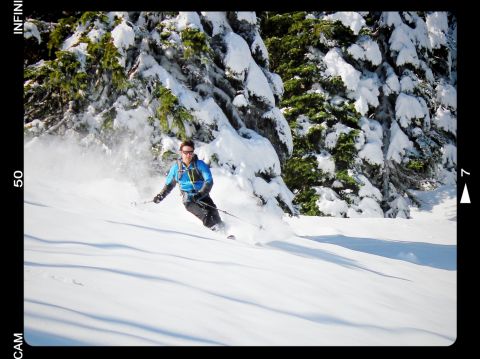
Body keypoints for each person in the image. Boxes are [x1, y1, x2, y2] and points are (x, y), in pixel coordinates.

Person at [153, 140, 224, 231]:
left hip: (202, 195)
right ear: (181, 153)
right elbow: (169, 185)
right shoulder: (176, 169)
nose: (188, 155)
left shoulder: (200, 165)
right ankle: (218, 233)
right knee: (206, 216)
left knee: (214, 213)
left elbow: (209, 181)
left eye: (190, 152)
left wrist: (200, 194)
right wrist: (161, 196)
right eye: (185, 152)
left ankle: (225, 232)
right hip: (189, 199)